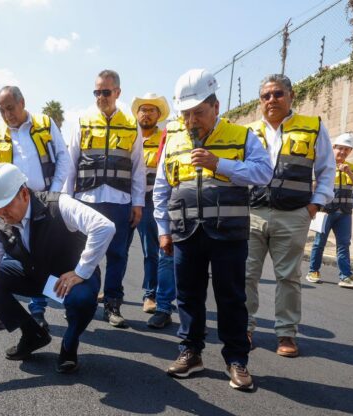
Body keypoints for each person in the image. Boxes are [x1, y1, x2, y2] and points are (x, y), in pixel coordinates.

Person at [153, 68, 273, 391]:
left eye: (199, 113)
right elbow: (161, 188)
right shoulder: (174, 140)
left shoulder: (241, 136)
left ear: (216, 107)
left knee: (231, 297)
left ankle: (237, 360)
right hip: (185, 232)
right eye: (187, 114)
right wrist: (163, 229)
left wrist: (218, 164)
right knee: (188, 296)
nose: (192, 121)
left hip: (228, 234)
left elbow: (264, 172)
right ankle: (190, 351)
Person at [0, 163, 115, 373]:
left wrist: (81, 271)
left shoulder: (58, 204)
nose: (1, 213)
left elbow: (104, 227)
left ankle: (69, 345)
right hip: (37, 277)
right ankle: (33, 334)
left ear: (24, 194)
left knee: (81, 300)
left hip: (70, 281)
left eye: (6, 205)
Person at [244, 74, 336, 358]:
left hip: (294, 214)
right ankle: (244, 328)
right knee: (245, 275)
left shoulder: (312, 126)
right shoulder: (248, 132)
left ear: (291, 96)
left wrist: (314, 206)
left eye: (278, 94)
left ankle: (286, 333)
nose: (272, 100)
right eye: (266, 96)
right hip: (252, 213)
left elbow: (326, 170)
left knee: (288, 277)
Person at [0, 85, 72, 331]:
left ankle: (38, 311)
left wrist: (53, 193)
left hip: (41, 206)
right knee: (10, 260)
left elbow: (63, 158)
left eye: (10, 108)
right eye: (1, 110)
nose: (7, 115)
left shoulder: (44, 124)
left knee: (40, 261)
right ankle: (9, 311)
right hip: (10, 206)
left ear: (22, 102)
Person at [64, 69, 145, 328]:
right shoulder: (83, 120)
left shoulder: (132, 124)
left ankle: (112, 305)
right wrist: (66, 200)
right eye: (97, 92)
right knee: (84, 253)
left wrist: (138, 203)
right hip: (86, 200)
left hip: (119, 202)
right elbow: (71, 163)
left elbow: (138, 167)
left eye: (106, 92)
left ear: (118, 93)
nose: (101, 96)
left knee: (117, 255)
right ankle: (82, 302)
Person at [129, 92, 177, 329]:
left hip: (151, 200)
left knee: (152, 250)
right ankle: (108, 291)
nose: (146, 114)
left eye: (151, 110)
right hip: (127, 198)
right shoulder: (129, 136)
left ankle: (151, 295)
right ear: (136, 114)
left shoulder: (165, 139)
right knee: (115, 247)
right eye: (143, 109)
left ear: (159, 115)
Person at [306, 133, 353, 287]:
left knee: (344, 244)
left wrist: (349, 173)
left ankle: (345, 276)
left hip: (344, 213)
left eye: (347, 149)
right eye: (341, 149)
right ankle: (313, 270)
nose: (343, 152)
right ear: (334, 148)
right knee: (319, 243)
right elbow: (313, 187)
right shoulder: (323, 165)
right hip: (325, 211)